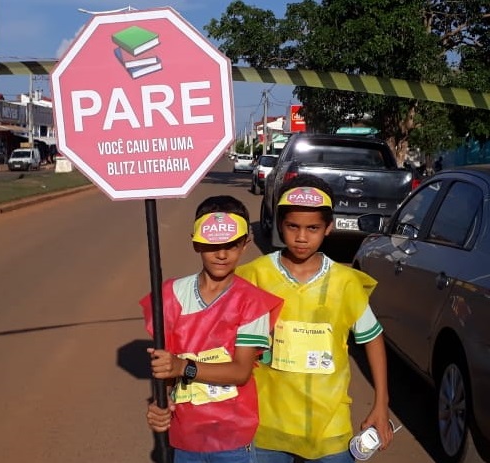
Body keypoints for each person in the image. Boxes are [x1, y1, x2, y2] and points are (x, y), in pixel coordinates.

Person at [148, 175, 394, 463]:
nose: (301, 237)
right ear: (279, 224)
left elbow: (372, 338)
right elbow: (204, 340)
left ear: (329, 227)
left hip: (329, 425)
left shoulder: (346, 283)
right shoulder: (253, 276)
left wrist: (381, 403)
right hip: (267, 425)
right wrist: (170, 393)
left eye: (313, 228)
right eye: (293, 226)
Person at [141, 195, 283, 463]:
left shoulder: (252, 302)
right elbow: (167, 366)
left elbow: (240, 371)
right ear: (195, 242)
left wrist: (182, 367)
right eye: (212, 245)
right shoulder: (170, 295)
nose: (222, 254)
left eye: (231, 245)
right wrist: (162, 402)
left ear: (245, 244)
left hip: (233, 435)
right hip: (186, 434)